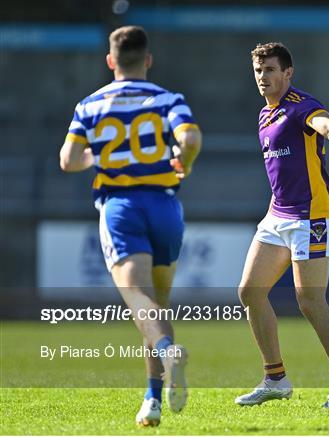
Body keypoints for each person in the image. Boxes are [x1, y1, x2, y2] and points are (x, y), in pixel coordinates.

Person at [59, 26, 202, 427]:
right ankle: (152, 400)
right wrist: (184, 165)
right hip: (165, 206)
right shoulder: (166, 98)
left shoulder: (89, 105)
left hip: (121, 206)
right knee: (156, 304)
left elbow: (68, 160)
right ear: (148, 60)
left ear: (111, 61)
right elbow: (190, 138)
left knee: (138, 298)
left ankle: (169, 352)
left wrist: (98, 159)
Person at [235, 42, 329, 408]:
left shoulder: (301, 107)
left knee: (310, 300)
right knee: (249, 292)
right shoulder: (264, 115)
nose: (263, 77)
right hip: (278, 214)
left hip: (312, 215)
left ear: (288, 73)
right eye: (258, 71)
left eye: (270, 70)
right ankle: (275, 379)